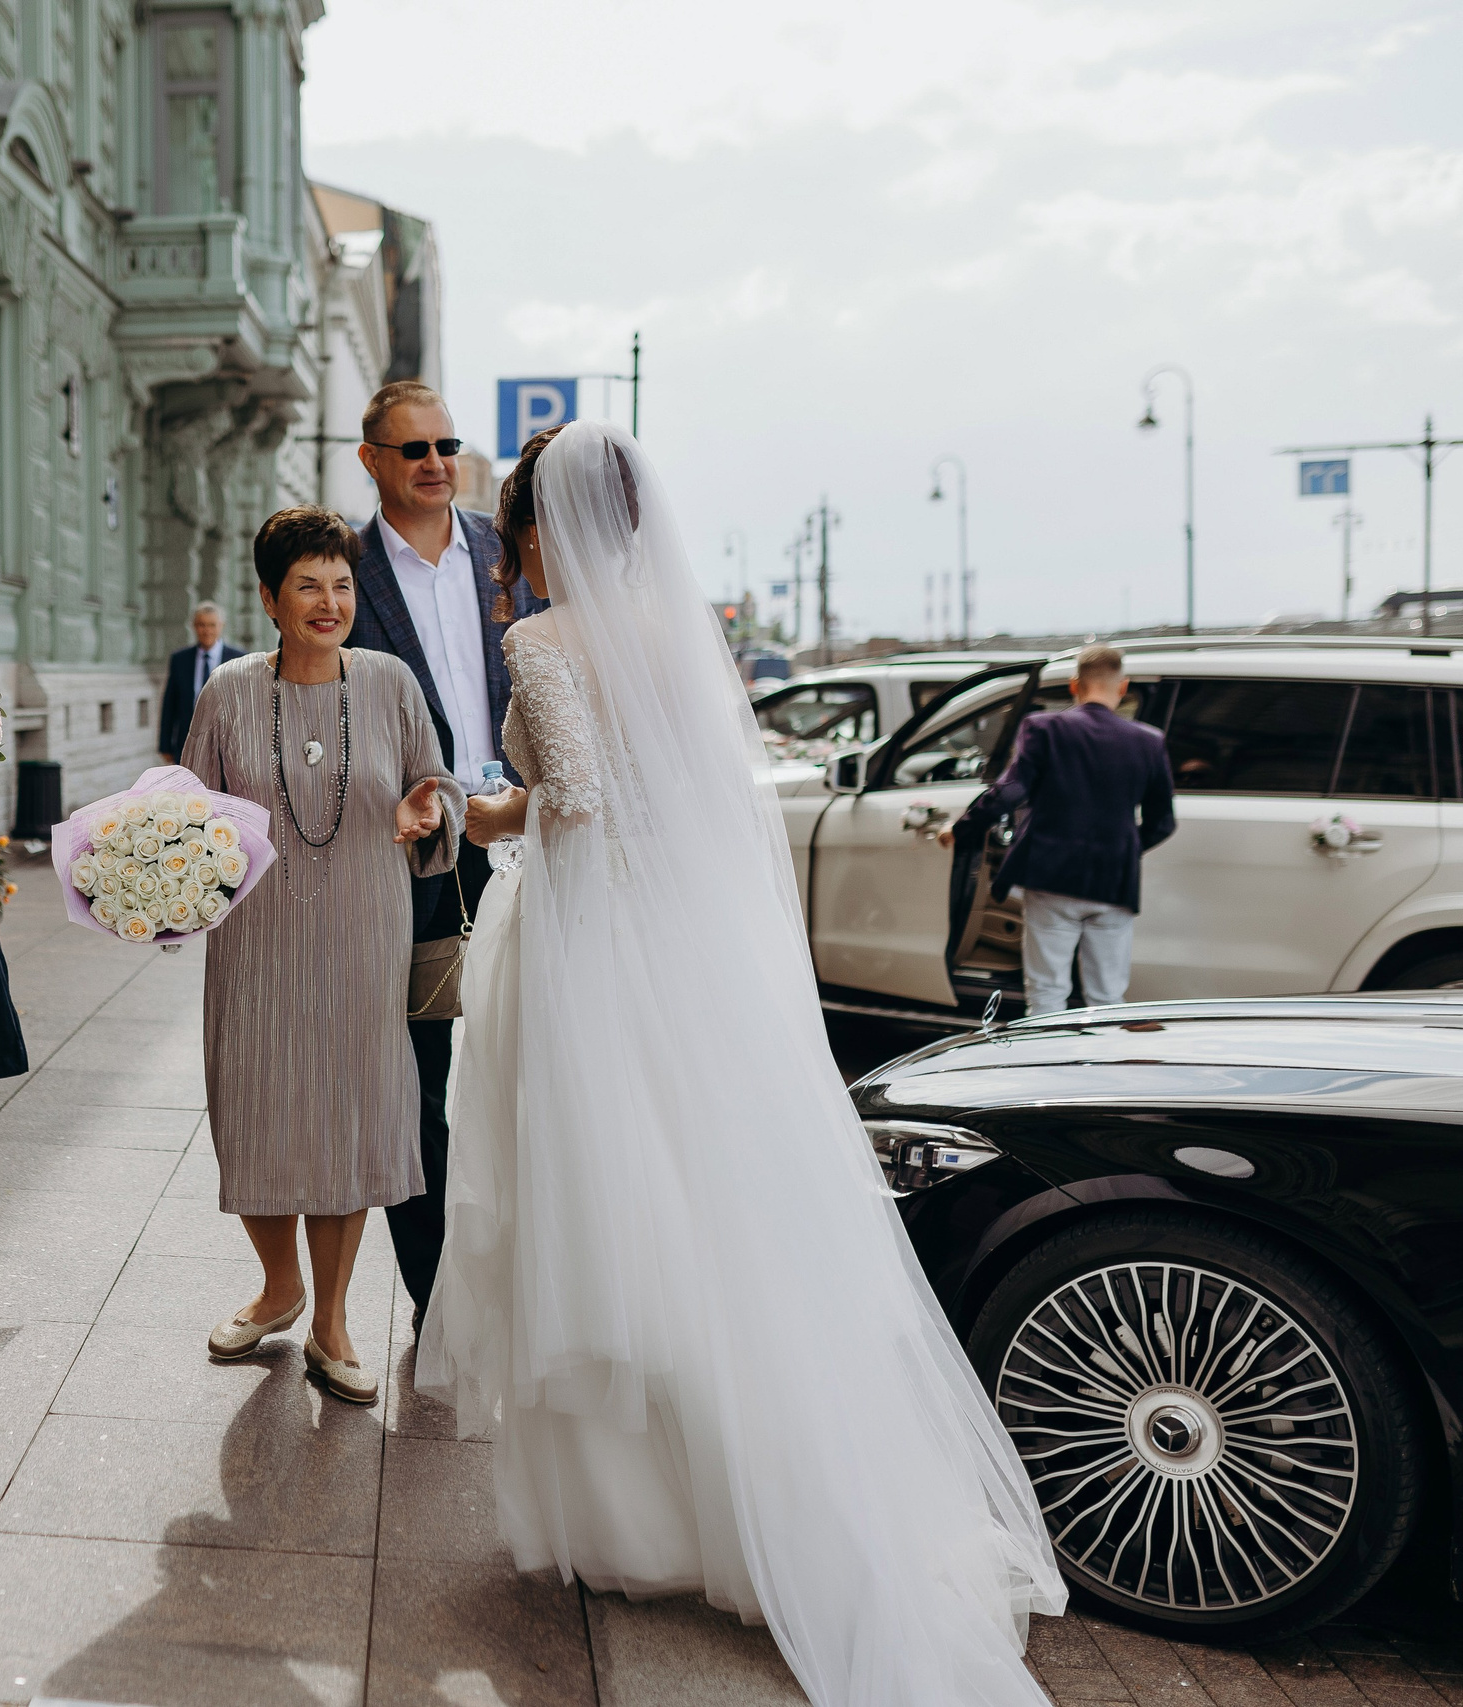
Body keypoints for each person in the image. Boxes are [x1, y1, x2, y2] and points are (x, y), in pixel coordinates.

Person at [416, 420, 1065, 1707]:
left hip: (592, 951)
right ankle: (758, 1498)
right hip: (693, 952)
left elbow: (577, 801)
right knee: (720, 1216)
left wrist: (480, 806)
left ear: (544, 521)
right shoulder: (680, 637)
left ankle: (637, 1524)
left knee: (604, 1213)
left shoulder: (539, 641)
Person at [181, 506, 461, 1405]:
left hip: (361, 937)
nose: (330, 600)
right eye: (308, 584)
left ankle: (332, 1319)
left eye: (341, 583)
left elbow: (439, 785)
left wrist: (430, 811)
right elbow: (188, 811)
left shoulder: (390, 683)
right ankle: (278, 1285)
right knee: (259, 1104)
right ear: (270, 597)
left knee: (345, 1113)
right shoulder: (225, 692)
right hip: (257, 942)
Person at [343, 380, 540, 1328]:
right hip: (409, 853)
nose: (434, 461)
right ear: (372, 460)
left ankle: (541, 1279)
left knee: (532, 1064)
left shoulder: (510, 555)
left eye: (446, 444)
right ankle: (441, 1297)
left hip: (525, 837)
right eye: (413, 448)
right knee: (413, 1077)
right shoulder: (339, 567)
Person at [942, 645, 1176, 1015]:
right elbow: (1163, 823)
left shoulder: (1044, 728)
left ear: (1073, 685)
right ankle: (1103, 1065)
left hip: (1052, 876)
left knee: (1047, 992)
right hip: (1114, 881)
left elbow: (1011, 790)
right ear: (1123, 686)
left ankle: (1050, 1067)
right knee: (1107, 997)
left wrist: (961, 829)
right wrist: (1125, 848)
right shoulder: (1148, 741)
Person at [157, 602, 243, 764]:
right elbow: (170, 704)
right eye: (201, 625)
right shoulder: (180, 659)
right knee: (189, 789)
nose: (207, 630)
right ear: (194, 626)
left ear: (221, 626)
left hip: (228, 745)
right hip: (188, 743)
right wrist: (165, 745)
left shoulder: (238, 659)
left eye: (212, 625)